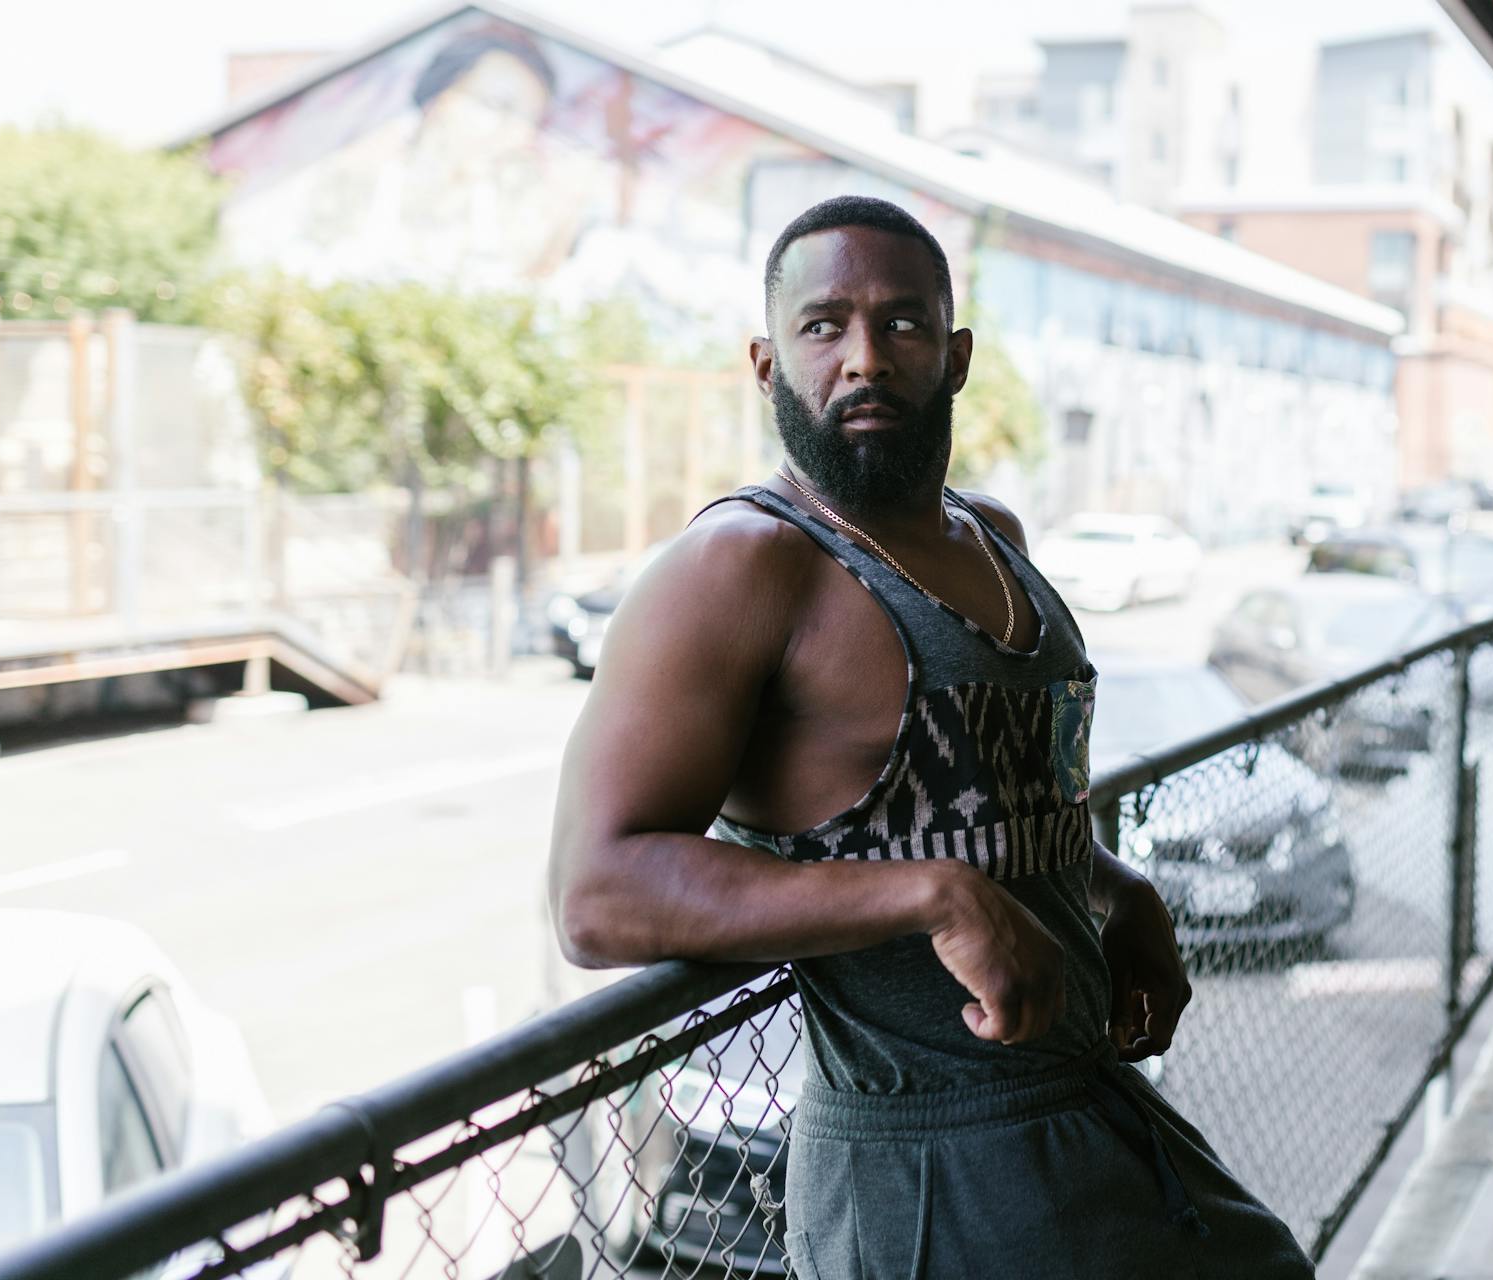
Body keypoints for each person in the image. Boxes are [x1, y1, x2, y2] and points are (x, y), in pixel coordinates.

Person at [548, 195, 1314, 1279]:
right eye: (825, 327)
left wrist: (1116, 889)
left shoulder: (993, 536)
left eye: (901, 324)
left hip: (1087, 1098)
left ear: (953, 357)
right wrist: (931, 894)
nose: (864, 357)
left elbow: (976, 798)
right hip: (925, 1164)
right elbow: (598, 893)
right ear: (767, 364)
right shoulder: (742, 565)